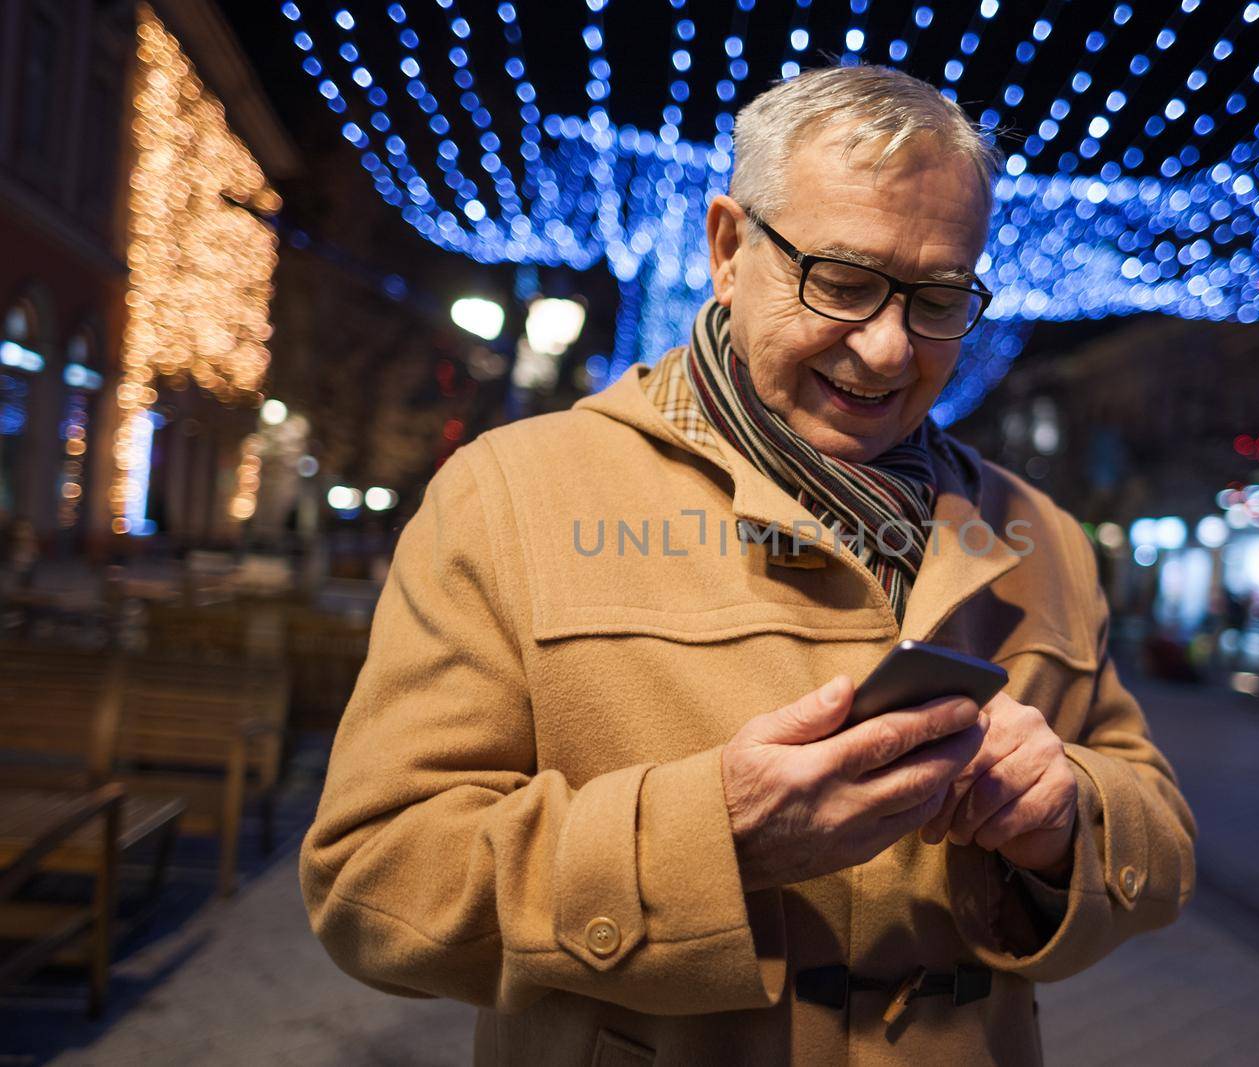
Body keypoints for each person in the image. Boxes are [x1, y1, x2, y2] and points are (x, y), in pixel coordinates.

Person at [301, 65, 1195, 1066]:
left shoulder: (1045, 535)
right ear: (728, 248)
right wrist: (710, 834)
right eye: (843, 283)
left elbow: (1158, 828)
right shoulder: (510, 494)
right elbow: (371, 885)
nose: (890, 349)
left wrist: (1068, 815)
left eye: (938, 298)